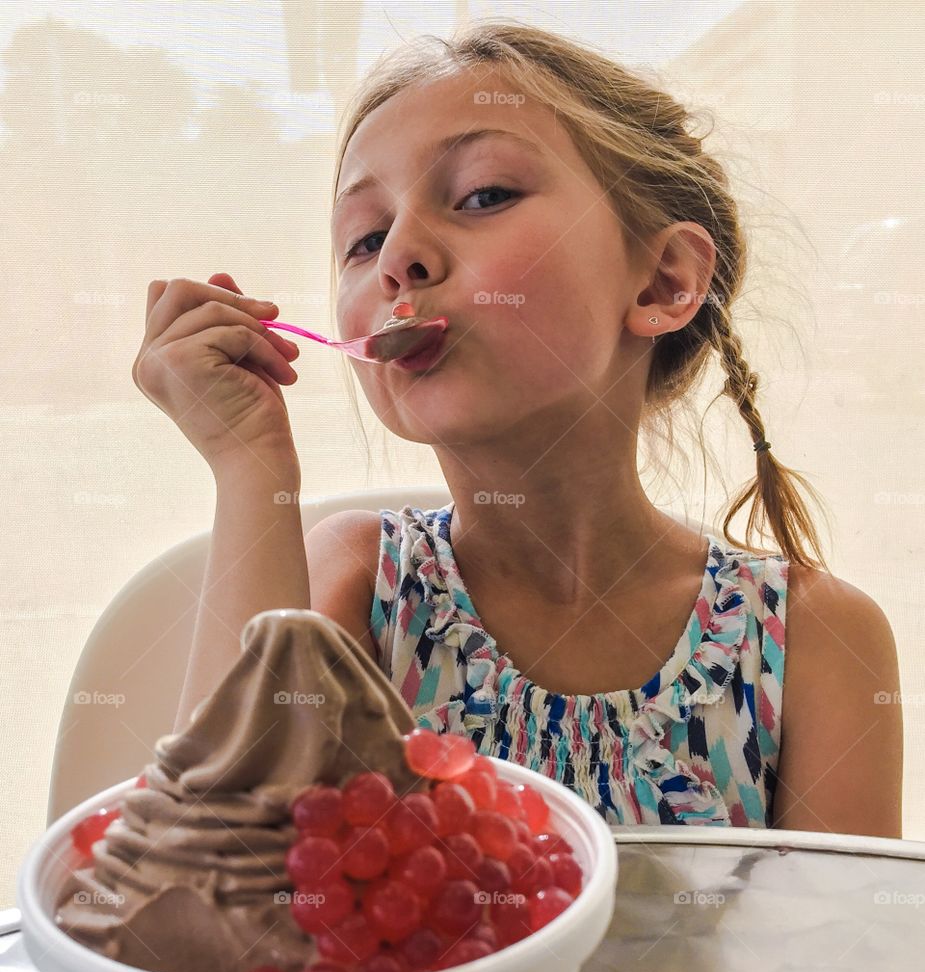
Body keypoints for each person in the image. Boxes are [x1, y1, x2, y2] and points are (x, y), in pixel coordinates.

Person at [136, 20, 903, 838]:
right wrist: (248, 465)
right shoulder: (361, 585)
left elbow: (825, 962)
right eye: (363, 238)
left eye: (483, 195)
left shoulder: (816, 641)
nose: (398, 256)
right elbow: (210, 866)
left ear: (664, 280)